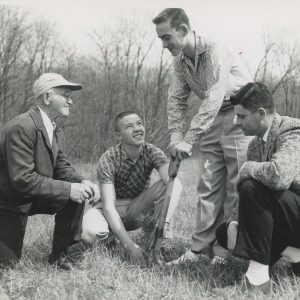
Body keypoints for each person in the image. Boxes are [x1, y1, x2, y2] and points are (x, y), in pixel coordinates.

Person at [152, 8, 253, 264]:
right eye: (161, 39)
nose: (164, 45)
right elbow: (176, 98)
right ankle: (198, 250)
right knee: (208, 185)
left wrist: (190, 138)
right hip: (212, 119)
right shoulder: (180, 61)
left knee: (236, 185)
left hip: (240, 117)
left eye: (166, 37)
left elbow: (215, 95)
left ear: (184, 30)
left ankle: (225, 251)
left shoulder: (215, 48)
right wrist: (176, 137)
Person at [0, 73, 100, 270]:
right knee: (7, 268)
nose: (70, 101)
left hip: (28, 196)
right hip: (7, 202)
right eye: (65, 95)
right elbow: (22, 179)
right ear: (47, 97)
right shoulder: (21, 126)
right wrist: (67, 189)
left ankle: (61, 255)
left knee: (76, 195)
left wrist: (82, 182)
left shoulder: (53, 128)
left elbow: (60, 165)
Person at [216, 82, 300, 294]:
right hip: (286, 220)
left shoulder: (292, 130)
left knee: (253, 187)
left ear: (261, 113)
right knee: (225, 232)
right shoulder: (255, 145)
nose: (237, 122)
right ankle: (296, 255)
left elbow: (278, 176)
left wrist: (247, 167)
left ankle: (257, 280)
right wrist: (236, 222)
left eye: (241, 116)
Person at [82, 111, 182, 265]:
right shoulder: (108, 158)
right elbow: (109, 207)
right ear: (118, 136)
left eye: (139, 124)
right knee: (90, 232)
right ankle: (110, 244)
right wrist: (130, 246)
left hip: (137, 208)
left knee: (170, 183)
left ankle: (160, 242)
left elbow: (174, 184)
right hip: (112, 208)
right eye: (129, 126)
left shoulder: (152, 151)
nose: (137, 128)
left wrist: (164, 223)